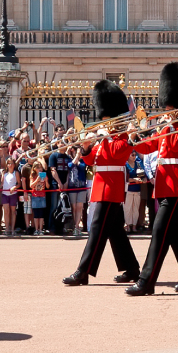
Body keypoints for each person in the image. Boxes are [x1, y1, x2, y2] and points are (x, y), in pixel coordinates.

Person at [126, 63, 178, 294]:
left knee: (159, 232)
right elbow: (148, 147)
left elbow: (175, 146)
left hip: (176, 187)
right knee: (177, 236)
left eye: (171, 106)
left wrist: (166, 126)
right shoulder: (166, 128)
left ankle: (146, 281)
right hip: (163, 186)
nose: (168, 110)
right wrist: (134, 137)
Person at [65, 80, 142, 285]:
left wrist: (106, 137)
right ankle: (132, 268)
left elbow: (119, 154)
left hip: (112, 188)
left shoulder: (122, 137)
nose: (104, 123)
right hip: (102, 187)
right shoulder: (104, 138)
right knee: (116, 232)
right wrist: (87, 147)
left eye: (108, 120)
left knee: (97, 229)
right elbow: (92, 161)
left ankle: (83, 271)